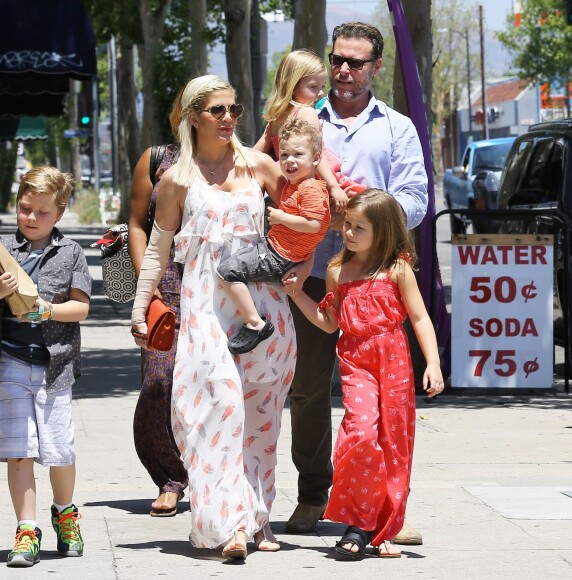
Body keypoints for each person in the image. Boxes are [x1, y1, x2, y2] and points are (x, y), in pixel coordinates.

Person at [130, 74, 295, 560]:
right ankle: (228, 525)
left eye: (234, 110)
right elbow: (159, 253)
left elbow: (308, 222)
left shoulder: (261, 167)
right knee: (213, 412)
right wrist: (142, 309)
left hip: (263, 308)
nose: (228, 119)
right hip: (203, 307)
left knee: (261, 421)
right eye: (218, 110)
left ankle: (256, 518)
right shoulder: (176, 179)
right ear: (194, 116)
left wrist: (301, 271)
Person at [285, 21, 429, 546]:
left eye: (356, 63)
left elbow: (416, 198)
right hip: (317, 273)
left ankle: (388, 508)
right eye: (337, 60)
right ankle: (313, 493)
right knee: (306, 390)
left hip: (375, 282)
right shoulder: (300, 120)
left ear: (376, 67)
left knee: (388, 406)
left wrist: (371, 208)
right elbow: (272, 177)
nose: (344, 71)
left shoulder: (397, 128)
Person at [288, 189, 444, 559]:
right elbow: (328, 323)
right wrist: (297, 295)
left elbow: (420, 318)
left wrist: (433, 363)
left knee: (394, 442)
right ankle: (358, 518)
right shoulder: (338, 271)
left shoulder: (398, 270)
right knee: (360, 432)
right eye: (348, 225)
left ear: (384, 230)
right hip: (357, 360)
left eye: (360, 227)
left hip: (394, 361)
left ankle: (381, 527)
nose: (349, 233)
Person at [0, 166, 92, 567]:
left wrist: (49, 309)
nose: (31, 218)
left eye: (41, 212)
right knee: (19, 451)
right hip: (11, 362)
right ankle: (25, 530)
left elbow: (82, 307)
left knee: (58, 451)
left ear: (58, 213)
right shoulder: (4, 249)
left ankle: (65, 513)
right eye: (25, 209)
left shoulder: (70, 252)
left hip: (56, 367)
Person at [218, 118, 330, 354]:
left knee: (228, 271)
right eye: (284, 154)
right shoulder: (295, 184)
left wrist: (281, 218)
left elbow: (314, 224)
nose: (289, 160)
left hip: (279, 256)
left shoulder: (311, 188)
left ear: (316, 158)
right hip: (278, 250)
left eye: (298, 154)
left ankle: (255, 323)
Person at [128, 88, 188, 518]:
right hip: (163, 280)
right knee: (158, 382)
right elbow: (136, 223)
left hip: (218, 284)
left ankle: (205, 476)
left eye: (227, 109)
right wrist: (146, 286)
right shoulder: (156, 159)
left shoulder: (236, 162)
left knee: (211, 383)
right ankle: (169, 476)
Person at [254, 49, 353, 209]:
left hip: (291, 184)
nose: (320, 93)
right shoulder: (307, 112)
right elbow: (317, 155)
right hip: (318, 180)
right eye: (313, 87)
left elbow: (256, 154)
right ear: (291, 86)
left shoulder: (275, 118)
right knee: (360, 199)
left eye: (322, 86)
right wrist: (334, 187)